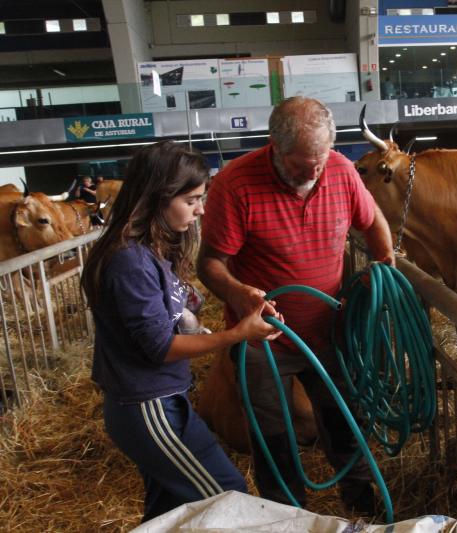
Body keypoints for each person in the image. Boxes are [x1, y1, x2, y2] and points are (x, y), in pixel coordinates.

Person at [197, 96, 394, 515]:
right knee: (272, 436)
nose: (314, 171)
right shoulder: (235, 183)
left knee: (345, 418)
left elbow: (372, 219)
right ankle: (287, 515)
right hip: (264, 338)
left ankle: (362, 503)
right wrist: (239, 294)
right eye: (302, 164)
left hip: (329, 330)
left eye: (320, 159)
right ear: (274, 146)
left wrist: (385, 266)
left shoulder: (340, 171)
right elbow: (210, 264)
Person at [81, 141, 281, 523]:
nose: (201, 209)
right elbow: (160, 346)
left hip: (161, 401)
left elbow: (173, 320)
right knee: (228, 500)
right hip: (149, 407)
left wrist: (241, 298)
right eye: (191, 199)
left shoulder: (150, 252)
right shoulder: (129, 262)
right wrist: (239, 333)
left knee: (170, 514)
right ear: (158, 196)